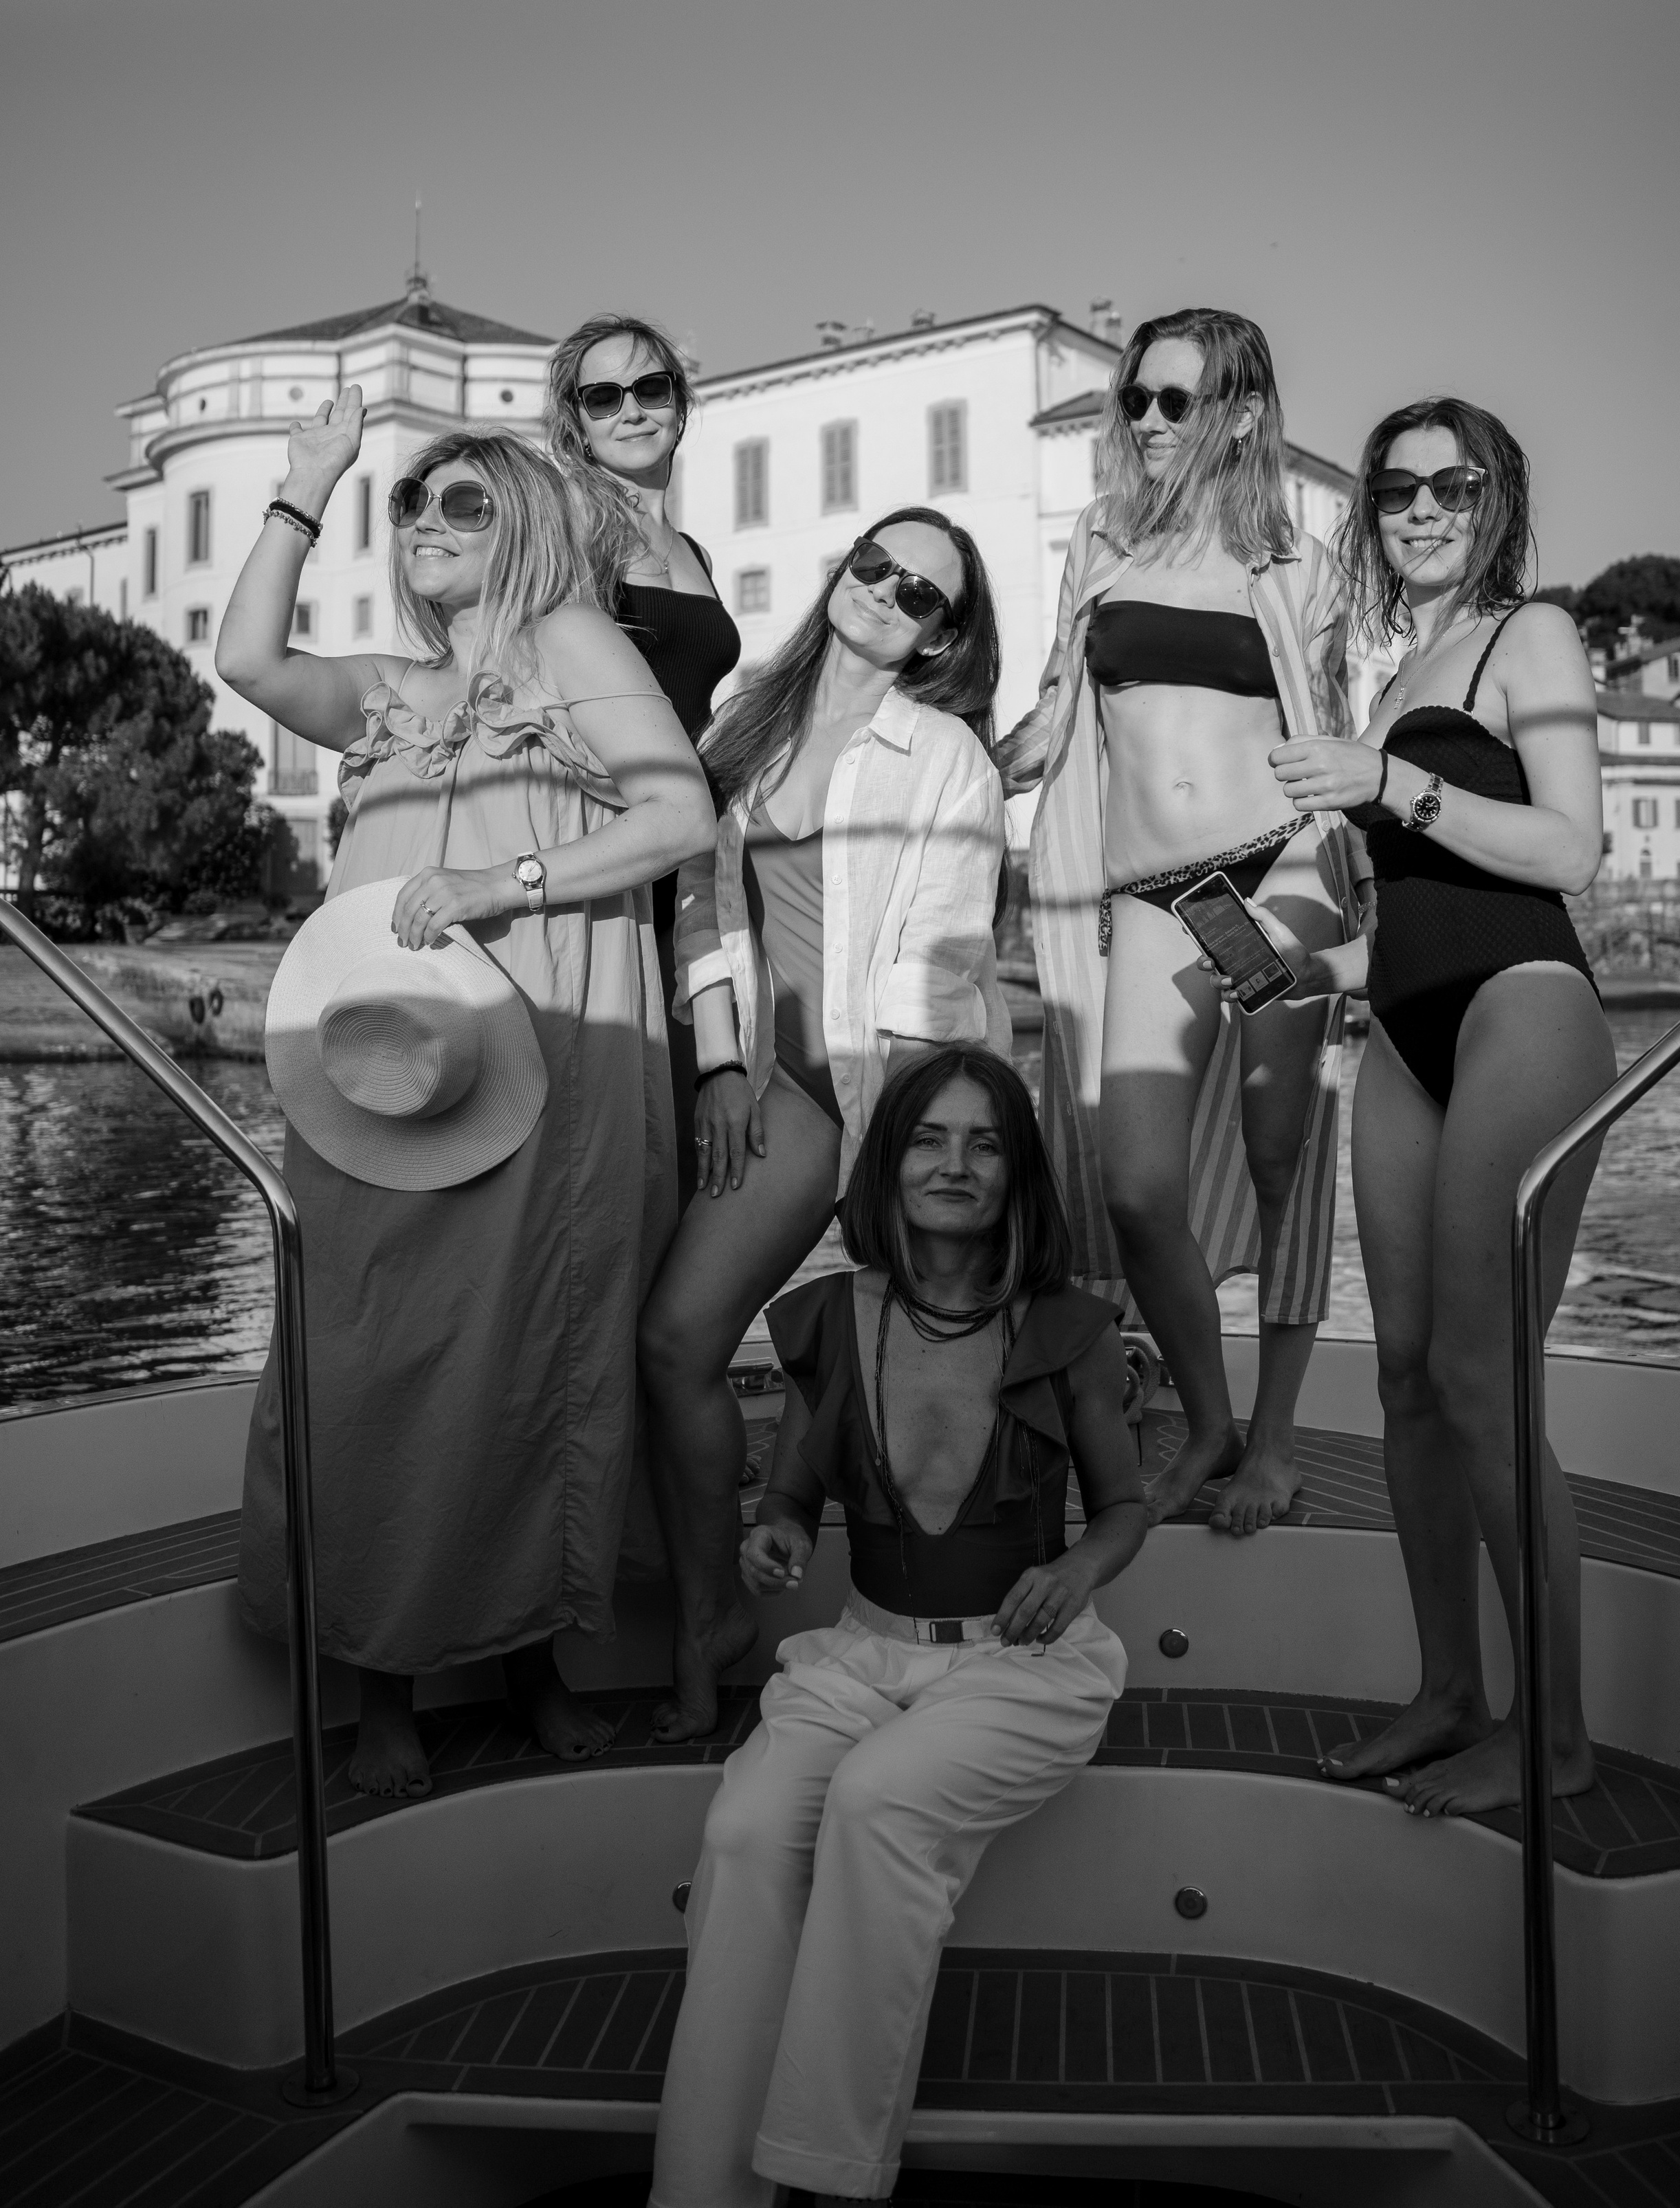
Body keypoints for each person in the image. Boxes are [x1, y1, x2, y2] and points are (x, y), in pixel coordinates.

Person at [219, 394, 716, 1796]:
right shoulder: (392, 687)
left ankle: (527, 1662)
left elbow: (680, 814)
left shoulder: (574, 645)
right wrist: (309, 485)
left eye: (464, 504)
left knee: (530, 1345)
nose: (427, 524)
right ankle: (379, 1676)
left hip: (544, 1059)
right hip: (384, 1072)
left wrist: (506, 881)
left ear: (529, 526)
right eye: (414, 505)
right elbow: (248, 659)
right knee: (370, 1352)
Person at [648, 1046, 1146, 2208]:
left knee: (876, 1801)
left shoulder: (1068, 1330)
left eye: (984, 1144)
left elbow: (1123, 1509)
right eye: (929, 1139)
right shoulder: (830, 1318)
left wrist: (1076, 1568)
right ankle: (705, 2190)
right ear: (890, 1164)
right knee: (744, 1829)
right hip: (861, 1655)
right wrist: (773, 1535)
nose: (955, 1164)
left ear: (1017, 1173)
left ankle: (833, 2178)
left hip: (1023, 1670)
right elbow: (789, 1492)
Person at [1219, 396, 1612, 1817]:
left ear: (1498, 500)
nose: (1424, 508)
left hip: (1522, 1006)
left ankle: (1553, 1736)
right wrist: (1295, 967)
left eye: (1454, 484)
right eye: (1396, 489)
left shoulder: (1530, 636)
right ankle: (1450, 1689)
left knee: (1477, 1378)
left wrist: (1388, 781)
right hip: (1400, 1025)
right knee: (1400, 1379)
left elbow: (1568, 850)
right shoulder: (1394, 676)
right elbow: (1405, 923)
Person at [637, 508, 1010, 1741]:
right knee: (676, 1342)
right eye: (874, 565)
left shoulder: (946, 757)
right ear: (841, 567)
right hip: (776, 1083)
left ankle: (927, 1649)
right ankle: (709, 1618)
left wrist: (897, 1162)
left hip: (897, 1093)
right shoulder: (743, 722)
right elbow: (698, 903)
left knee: (909, 1370)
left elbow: (937, 960)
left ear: (940, 636)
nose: (885, 592)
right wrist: (719, 1066)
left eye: (919, 593)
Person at [995, 307, 1361, 1538]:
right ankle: (1208, 1421)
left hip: (1269, 878)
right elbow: (1058, 708)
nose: (1148, 421)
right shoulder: (1102, 541)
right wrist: (960, 762)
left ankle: (1276, 1438)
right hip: (1158, 891)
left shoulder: (1298, 564)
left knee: (1278, 1151)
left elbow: (1329, 724)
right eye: (1136, 399)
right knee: (1138, 1185)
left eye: (1175, 401)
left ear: (1242, 415)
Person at [545, 313, 741, 1204]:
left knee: (676, 1133)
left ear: (680, 404)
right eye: (603, 396)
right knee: (607, 1137)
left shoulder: (693, 552)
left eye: (651, 388)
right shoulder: (569, 528)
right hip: (606, 843)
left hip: (685, 855)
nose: (631, 409)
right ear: (576, 422)